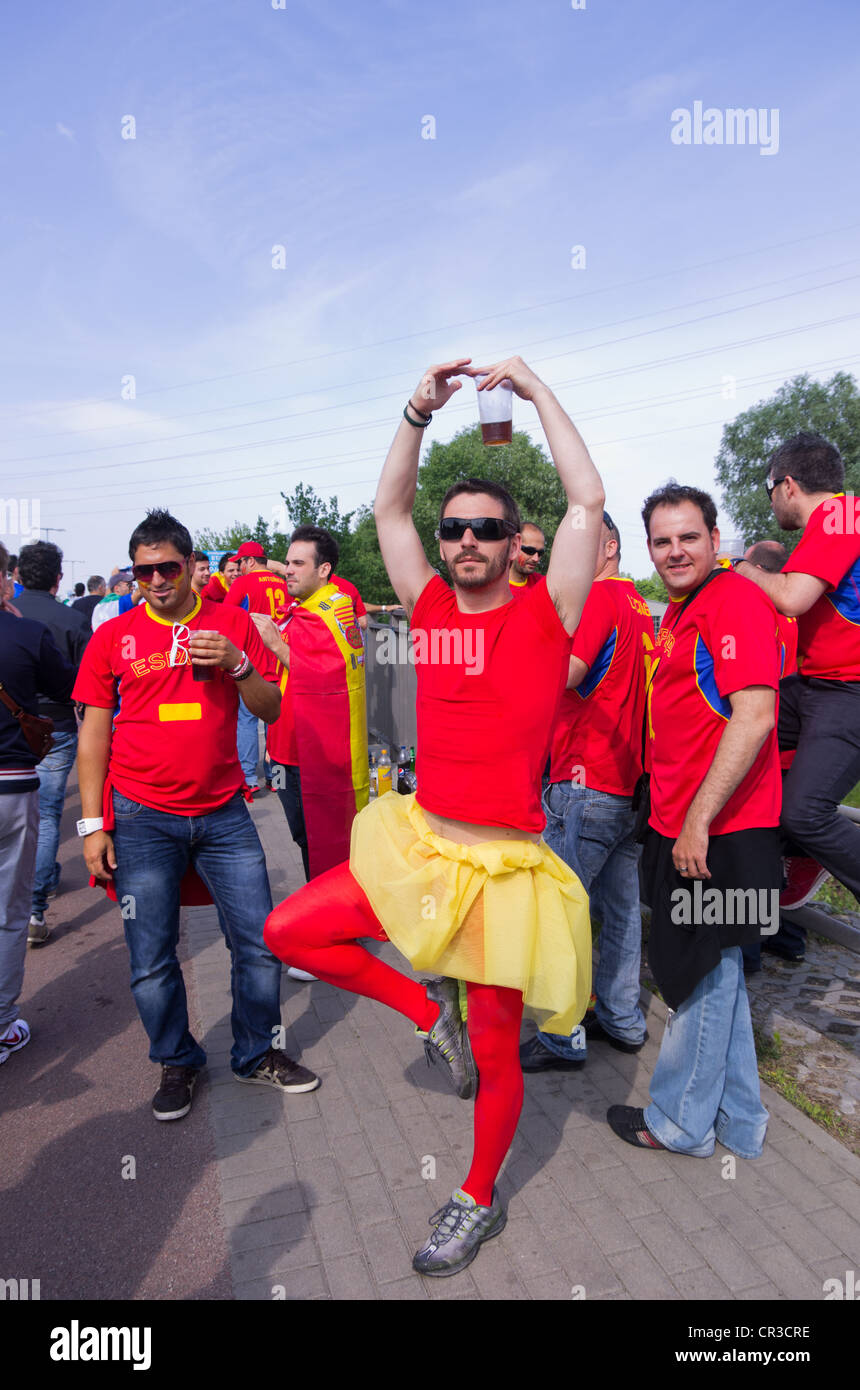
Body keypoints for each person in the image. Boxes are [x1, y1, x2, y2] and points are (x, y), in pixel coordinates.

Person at [265, 355, 602, 1277]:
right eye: (452, 528)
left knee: (499, 1052)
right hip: (419, 842)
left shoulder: (547, 616)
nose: (463, 541)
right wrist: (415, 411)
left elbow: (585, 500)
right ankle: (424, 1008)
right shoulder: (430, 609)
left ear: (509, 541)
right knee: (289, 930)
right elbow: (385, 513)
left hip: (501, 869)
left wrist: (532, 393)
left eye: (485, 530)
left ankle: (477, 1197)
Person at [73, 509, 318, 1122]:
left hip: (224, 814)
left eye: (168, 568)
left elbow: (270, 707)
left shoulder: (231, 621)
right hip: (141, 814)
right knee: (152, 955)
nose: (156, 579)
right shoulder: (113, 638)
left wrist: (238, 663)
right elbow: (92, 737)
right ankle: (177, 1059)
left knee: (260, 942)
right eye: (144, 570)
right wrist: (91, 823)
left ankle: (256, 1051)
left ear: (189, 567)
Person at [608, 483, 781, 1159]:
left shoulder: (732, 599)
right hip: (691, 821)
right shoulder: (688, 608)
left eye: (688, 537)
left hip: (720, 831)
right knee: (720, 971)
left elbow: (756, 713)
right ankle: (741, 1121)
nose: (675, 551)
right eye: (662, 540)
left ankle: (679, 1123)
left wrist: (698, 820)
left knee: (702, 974)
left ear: (715, 539)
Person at [520, 509, 651, 1072]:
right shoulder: (644, 606)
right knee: (621, 910)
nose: (565, 559)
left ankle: (560, 1033)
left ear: (610, 546)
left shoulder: (599, 599)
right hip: (626, 783)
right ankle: (622, 1019)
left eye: (581, 545)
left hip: (584, 779)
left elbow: (565, 674)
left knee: (560, 913)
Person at [730, 433, 860, 915]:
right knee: (731, 722)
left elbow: (790, 598)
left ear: (786, 485)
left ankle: (803, 848)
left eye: (769, 492)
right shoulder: (839, 521)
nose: (771, 504)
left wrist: (742, 569)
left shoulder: (839, 516)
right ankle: (787, 856)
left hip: (847, 690)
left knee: (805, 811)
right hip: (816, 683)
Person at [254, 525, 369, 883]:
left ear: (324, 570)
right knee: (304, 838)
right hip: (287, 744)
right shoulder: (305, 607)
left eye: (298, 563)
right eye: (287, 562)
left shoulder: (331, 609)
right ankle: (319, 910)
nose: (287, 570)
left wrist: (275, 643)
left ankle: (331, 917)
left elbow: (328, 676)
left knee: (325, 841)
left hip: (315, 751)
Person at [0, 542, 76, 1064]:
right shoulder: (26, 631)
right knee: (9, 912)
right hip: (11, 782)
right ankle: (3, 1025)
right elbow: (67, 686)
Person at [14, 541, 91, 943]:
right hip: (54, 728)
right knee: (45, 817)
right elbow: (87, 683)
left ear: (18, 576)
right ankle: (35, 910)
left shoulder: (11, 617)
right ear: (59, 578)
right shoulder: (71, 620)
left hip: (10, 727)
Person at [737, 540, 798, 972]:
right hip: (795, 749)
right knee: (774, 857)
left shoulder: (758, 613)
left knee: (750, 854)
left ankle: (747, 951)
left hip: (764, 751)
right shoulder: (799, 618)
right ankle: (783, 936)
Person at [224, 542, 290, 794]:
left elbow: (226, 615)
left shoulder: (244, 582)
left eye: (240, 562)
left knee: (248, 719)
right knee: (276, 722)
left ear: (251, 561)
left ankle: (249, 778)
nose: (238, 568)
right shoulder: (283, 583)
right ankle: (277, 779)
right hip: (282, 658)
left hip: (255, 660)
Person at [508, 521, 546, 595]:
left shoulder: (543, 585)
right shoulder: (490, 586)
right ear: (513, 547)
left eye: (540, 553)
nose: (536, 559)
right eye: (530, 551)